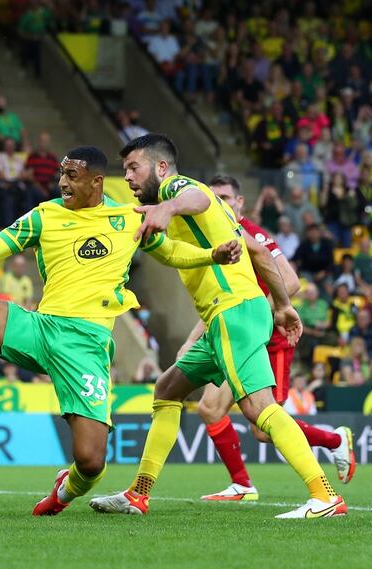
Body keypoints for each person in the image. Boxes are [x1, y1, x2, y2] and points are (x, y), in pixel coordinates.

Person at [0, 147, 240, 516]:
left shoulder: (131, 218)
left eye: (73, 175)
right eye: (61, 176)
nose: (63, 183)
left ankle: (64, 490)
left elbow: (171, 252)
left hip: (86, 347)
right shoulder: (44, 215)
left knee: (91, 464)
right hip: (39, 328)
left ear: (96, 182)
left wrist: (210, 255)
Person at [90, 134, 345, 519]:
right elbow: (257, 252)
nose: (126, 176)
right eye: (124, 169)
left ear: (161, 168)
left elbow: (200, 197)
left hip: (233, 312)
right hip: (232, 316)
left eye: (133, 167)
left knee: (259, 409)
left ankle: (324, 495)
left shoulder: (180, 189)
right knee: (168, 388)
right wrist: (283, 306)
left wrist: (170, 207)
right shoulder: (218, 218)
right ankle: (138, 494)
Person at [193, 175, 355, 502]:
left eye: (226, 196)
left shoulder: (252, 233)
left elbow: (291, 282)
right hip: (236, 336)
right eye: (215, 197)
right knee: (210, 408)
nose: (220, 203)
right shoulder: (216, 234)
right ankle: (242, 484)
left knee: (261, 428)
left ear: (240, 203)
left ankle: (335, 442)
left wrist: (258, 315)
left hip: (269, 341)